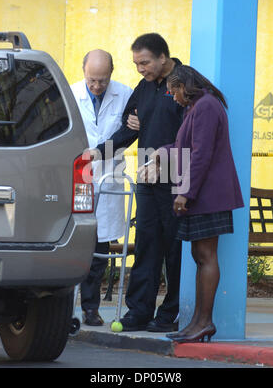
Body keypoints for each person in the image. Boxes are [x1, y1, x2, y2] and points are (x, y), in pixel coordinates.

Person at [139, 64, 244, 342]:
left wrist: (185, 192)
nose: (174, 98)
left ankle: (204, 322)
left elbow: (200, 155)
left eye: (174, 92)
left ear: (184, 86)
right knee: (200, 257)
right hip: (204, 194)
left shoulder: (206, 107)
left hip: (210, 195)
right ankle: (196, 322)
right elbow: (184, 148)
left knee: (206, 256)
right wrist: (161, 153)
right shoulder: (198, 107)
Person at [92, 33, 184, 332]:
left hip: (175, 176)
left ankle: (170, 313)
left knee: (174, 248)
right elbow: (127, 131)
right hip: (147, 176)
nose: (140, 69)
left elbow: (192, 132)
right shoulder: (143, 89)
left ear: (162, 57)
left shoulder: (184, 83)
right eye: (136, 64)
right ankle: (139, 311)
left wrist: (166, 159)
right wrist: (97, 153)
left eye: (144, 62)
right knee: (146, 244)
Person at [71, 50, 133, 326]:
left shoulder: (126, 94)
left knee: (100, 246)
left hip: (109, 176)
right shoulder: (71, 94)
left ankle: (91, 308)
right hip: (78, 178)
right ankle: (64, 306)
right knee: (74, 243)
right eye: (92, 80)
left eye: (103, 80)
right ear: (83, 71)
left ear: (111, 73)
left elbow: (129, 133)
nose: (97, 86)